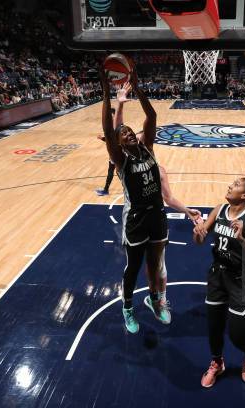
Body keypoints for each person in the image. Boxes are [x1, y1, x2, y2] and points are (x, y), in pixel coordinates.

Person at [100, 66, 167, 333]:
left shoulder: (148, 147)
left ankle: (154, 301)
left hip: (157, 214)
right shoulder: (121, 160)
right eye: (123, 133)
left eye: (130, 131)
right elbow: (108, 126)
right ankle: (128, 308)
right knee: (134, 266)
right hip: (136, 218)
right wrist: (107, 93)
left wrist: (137, 88)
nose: (128, 133)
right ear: (118, 143)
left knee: (155, 263)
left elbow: (151, 114)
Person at [194, 173, 245, 388]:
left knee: (238, 334)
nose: (230, 185)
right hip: (217, 275)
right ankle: (217, 363)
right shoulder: (219, 209)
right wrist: (199, 231)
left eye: (236, 185)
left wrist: (241, 240)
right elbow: (200, 240)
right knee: (214, 327)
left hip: (241, 280)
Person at [95, 83, 131, 196]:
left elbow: (114, 140)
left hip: (119, 152)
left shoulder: (117, 127)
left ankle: (128, 189)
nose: (109, 117)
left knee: (120, 172)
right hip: (115, 152)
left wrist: (103, 139)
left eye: (111, 115)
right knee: (112, 171)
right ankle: (106, 189)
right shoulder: (114, 128)